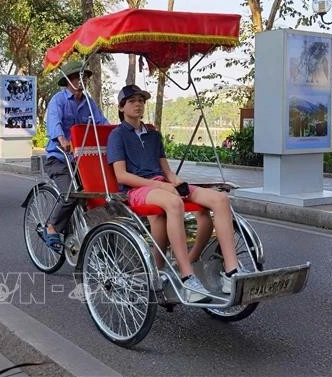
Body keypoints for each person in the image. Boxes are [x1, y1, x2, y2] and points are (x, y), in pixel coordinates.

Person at [107, 84, 247, 302]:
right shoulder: (117, 135)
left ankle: (231, 271)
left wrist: (178, 183)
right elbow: (121, 176)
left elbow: (167, 172)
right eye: (133, 101)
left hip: (164, 184)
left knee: (220, 199)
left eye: (141, 101)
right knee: (174, 203)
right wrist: (161, 186)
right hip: (137, 190)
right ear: (122, 107)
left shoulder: (153, 135)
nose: (138, 105)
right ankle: (186, 276)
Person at [43, 60, 109, 251]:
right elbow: (54, 124)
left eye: (84, 77)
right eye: (76, 77)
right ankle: (52, 226)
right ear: (68, 80)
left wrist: (116, 133)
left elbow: (101, 122)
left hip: (83, 160)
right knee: (71, 192)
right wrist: (62, 139)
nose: (81, 81)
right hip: (60, 158)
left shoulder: (89, 103)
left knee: (98, 192)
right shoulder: (58, 100)